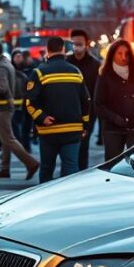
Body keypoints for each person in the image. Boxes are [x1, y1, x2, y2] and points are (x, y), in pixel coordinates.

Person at [25, 36, 91, 183]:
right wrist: (85, 125)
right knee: (71, 171)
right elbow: (86, 102)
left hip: (49, 131)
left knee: (47, 170)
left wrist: (42, 118)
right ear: (63, 50)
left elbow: (29, 103)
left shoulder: (39, 73)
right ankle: (68, 202)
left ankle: (46, 203)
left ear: (47, 51)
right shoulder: (76, 72)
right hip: (73, 130)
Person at [0, 41, 39, 179]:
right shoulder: (4, 64)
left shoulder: (1, 67)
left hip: (1, 107)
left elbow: (3, 88)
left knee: (8, 139)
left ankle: (31, 163)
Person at [93, 39, 134, 161]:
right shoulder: (105, 76)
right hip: (113, 130)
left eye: (127, 53)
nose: (123, 57)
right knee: (113, 163)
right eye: (119, 53)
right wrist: (115, 118)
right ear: (112, 55)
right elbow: (98, 104)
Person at [67, 29, 101, 170]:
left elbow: (97, 91)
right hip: (68, 111)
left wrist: (94, 112)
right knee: (68, 148)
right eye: (74, 44)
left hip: (87, 113)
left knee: (83, 145)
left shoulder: (95, 65)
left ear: (86, 44)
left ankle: (81, 173)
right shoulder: (66, 63)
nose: (76, 47)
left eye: (79, 44)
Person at [10, 50, 33, 153]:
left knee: (26, 127)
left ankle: (26, 147)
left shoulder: (29, 69)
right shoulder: (10, 70)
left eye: (20, 56)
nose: (18, 59)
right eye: (16, 56)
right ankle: (20, 148)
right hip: (14, 104)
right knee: (15, 128)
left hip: (26, 103)